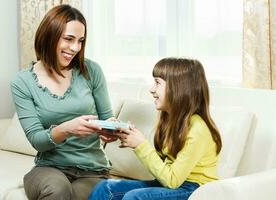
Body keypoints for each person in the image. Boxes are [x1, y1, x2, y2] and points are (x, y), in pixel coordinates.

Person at [11, 4, 117, 200]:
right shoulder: (22, 82)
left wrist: (112, 128)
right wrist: (67, 128)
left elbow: (106, 116)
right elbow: (37, 140)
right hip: (49, 167)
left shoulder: (91, 71)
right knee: (57, 191)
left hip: (92, 170)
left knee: (78, 196)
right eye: (69, 39)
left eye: (80, 41)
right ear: (49, 35)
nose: (75, 48)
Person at [89, 57, 223, 200]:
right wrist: (129, 138)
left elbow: (172, 180)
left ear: (178, 88)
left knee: (135, 197)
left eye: (157, 83)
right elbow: (163, 172)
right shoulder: (170, 120)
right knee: (105, 188)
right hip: (173, 185)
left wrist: (141, 145)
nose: (151, 89)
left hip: (197, 190)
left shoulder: (198, 129)